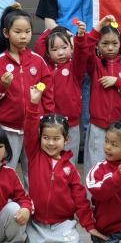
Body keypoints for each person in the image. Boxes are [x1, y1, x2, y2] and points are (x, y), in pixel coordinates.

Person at [20, 87, 99, 243]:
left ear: (66, 139)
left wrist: (89, 225)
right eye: (46, 138)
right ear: (40, 138)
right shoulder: (34, 155)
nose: (50, 143)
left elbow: (80, 200)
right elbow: (30, 129)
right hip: (38, 223)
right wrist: (33, 104)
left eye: (56, 139)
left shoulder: (70, 169)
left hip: (63, 224)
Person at [0, 7, 50, 169]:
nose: (23, 36)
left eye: (27, 31)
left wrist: (46, 120)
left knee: (33, 170)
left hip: (34, 127)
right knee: (6, 169)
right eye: (18, 32)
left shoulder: (38, 61)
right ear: (6, 33)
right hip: (7, 128)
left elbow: (48, 94)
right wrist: (2, 86)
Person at [80, 16, 121, 177]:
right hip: (99, 126)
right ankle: (92, 194)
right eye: (105, 43)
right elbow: (84, 48)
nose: (110, 47)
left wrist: (117, 82)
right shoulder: (95, 64)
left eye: (115, 43)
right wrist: (98, 28)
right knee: (96, 165)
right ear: (97, 45)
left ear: (120, 45)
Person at [36, 25, 84, 166]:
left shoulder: (75, 67)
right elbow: (39, 46)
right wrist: (52, 29)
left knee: (70, 160)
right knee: (48, 160)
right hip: (50, 123)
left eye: (64, 47)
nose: (60, 53)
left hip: (71, 123)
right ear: (48, 53)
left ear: (72, 47)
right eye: (54, 49)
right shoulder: (45, 67)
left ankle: (69, 180)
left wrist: (77, 38)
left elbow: (82, 53)